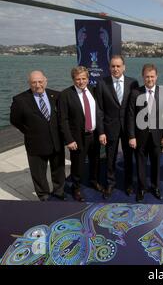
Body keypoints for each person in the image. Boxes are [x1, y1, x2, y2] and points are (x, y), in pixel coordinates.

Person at [10, 70, 66, 201]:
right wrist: (29, 131)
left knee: (58, 170)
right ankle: (43, 195)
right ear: (29, 84)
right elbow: (15, 120)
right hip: (35, 143)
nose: (37, 85)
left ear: (45, 81)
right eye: (34, 82)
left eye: (40, 81)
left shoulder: (57, 96)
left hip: (56, 141)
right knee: (39, 173)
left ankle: (59, 192)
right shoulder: (20, 100)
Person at [96, 55, 139, 199]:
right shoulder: (102, 84)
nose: (115, 69)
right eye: (113, 66)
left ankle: (128, 184)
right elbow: (99, 110)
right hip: (110, 128)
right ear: (109, 68)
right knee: (110, 158)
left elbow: (135, 108)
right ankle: (110, 184)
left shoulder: (133, 83)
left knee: (128, 157)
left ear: (124, 67)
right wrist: (101, 132)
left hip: (128, 128)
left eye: (118, 66)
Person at [127, 64, 163, 203]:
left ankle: (155, 187)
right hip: (140, 137)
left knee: (156, 163)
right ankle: (141, 188)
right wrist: (132, 136)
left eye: (152, 76)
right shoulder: (135, 93)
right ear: (143, 77)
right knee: (140, 163)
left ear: (156, 77)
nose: (149, 79)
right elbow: (130, 115)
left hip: (157, 136)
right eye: (147, 76)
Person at [58, 66, 101, 202]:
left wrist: (101, 132)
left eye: (83, 78)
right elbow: (63, 120)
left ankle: (93, 181)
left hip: (94, 135)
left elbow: (98, 114)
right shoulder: (65, 95)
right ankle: (76, 187)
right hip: (77, 138)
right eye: (78, 79)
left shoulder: (93, 91)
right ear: (73, 80)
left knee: (95, 161)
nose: (81, 82)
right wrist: (69, 140)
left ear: (88, 79)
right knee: (78, 165)